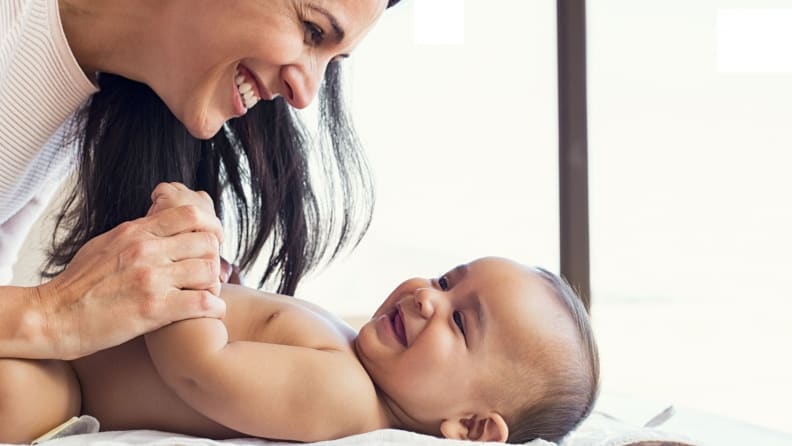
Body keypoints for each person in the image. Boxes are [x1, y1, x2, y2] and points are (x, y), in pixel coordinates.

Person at [0, 183, 600, 444]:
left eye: (460, 322)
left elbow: (200, 370)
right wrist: (233, 288)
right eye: (446, 281)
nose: (427, 297)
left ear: (469, 428)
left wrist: (189, 259)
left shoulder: (346, 397)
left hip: (70, 389)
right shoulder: (353, 358)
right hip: (77, 347)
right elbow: (254, 327)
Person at [0, 0, 400, 361]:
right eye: (312, 30)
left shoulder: (80, 94)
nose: (306, 94)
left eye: (333, 60)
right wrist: (52, 313)